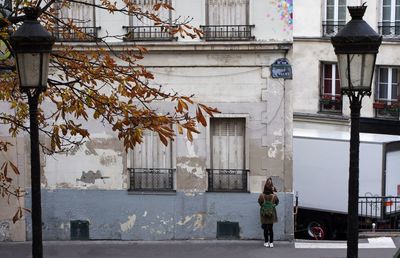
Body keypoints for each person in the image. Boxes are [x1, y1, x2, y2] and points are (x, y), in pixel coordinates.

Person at [258, 178, 279, 248]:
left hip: (264, 214)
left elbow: (260, 203)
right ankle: (271, 243)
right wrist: (273, 205)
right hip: (271, 213)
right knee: (271, 228)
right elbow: (277, 202)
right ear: (271, 187)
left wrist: (264, 206)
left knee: (265, 229)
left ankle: (266, 242)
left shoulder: (261, 195)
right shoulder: (274, 196)